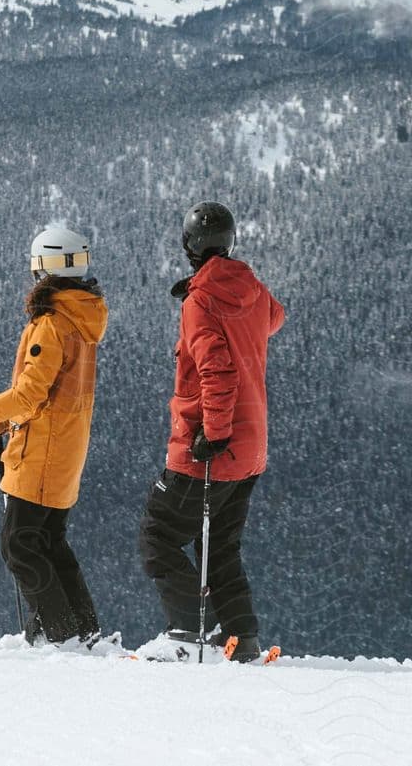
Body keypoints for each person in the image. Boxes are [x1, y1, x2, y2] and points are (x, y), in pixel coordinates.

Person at [0, 224, 109, 645]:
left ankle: (61, 635)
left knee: (20, 546)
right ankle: (80, 631)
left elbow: (30, 395)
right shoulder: (81, 318)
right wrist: (6, 420)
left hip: (43, 452)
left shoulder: (51, 324)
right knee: (49, 542)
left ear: (42, 269)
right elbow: (51, 391)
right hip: (66, 446)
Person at [138, 202, 285, 661]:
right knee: (219, 545)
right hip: (252, 447)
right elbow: (275, 318)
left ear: (189, 247)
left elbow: (217, 372)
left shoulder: (200, 301)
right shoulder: (253, 290)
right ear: (231, 241)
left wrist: (213, 433)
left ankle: (185, 631)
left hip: (212, 447)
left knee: (157, 533)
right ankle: (242, 639)